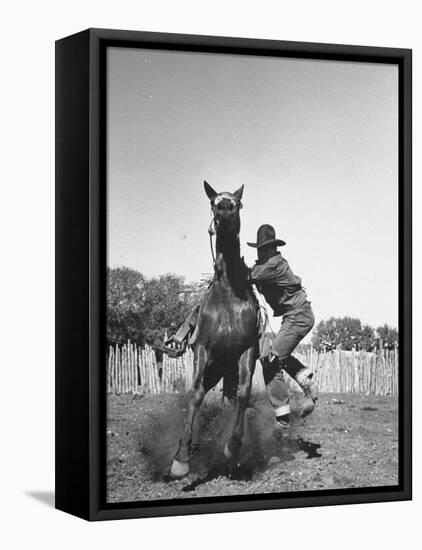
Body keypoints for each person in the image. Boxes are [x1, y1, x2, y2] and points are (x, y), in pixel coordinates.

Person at [163, 224, 318, 428]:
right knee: (276, 354)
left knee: (269, 360)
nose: (263, 251)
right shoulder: (267, 265)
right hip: (294, 316)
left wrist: (225, 269)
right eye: (260, 248)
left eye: (267, 248)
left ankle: (282, 419)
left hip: (298, 316)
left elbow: (246, 276)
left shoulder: (274, 265)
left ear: (273, 248)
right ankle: (307, 385)